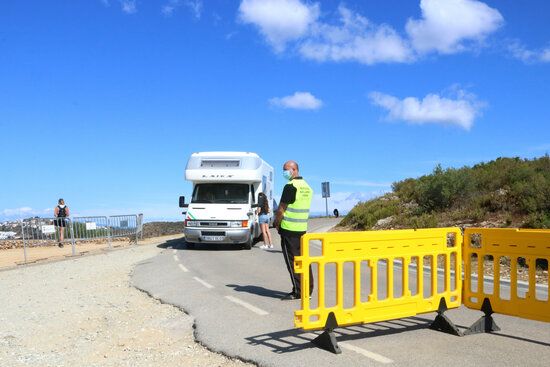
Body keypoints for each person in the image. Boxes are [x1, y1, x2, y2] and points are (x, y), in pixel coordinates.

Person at [273, 160, 313, 300]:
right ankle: (308, 289)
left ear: (294, 170)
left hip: (289, 230)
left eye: (286, 169)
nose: (284, 172)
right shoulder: (307, 187)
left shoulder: (290, 186)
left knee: (293, 262)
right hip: (302, 229)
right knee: (304, 260)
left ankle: (298, 291)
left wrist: (276, 223)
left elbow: (281, 209)